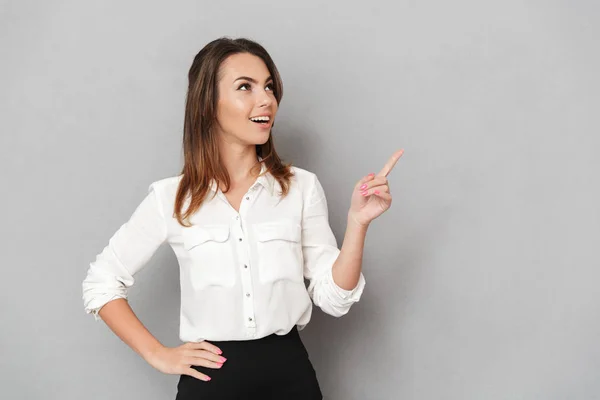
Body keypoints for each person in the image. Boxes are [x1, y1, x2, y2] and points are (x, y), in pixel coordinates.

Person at [82, 36, 403, 399]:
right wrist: (157, 354)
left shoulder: (301, 187)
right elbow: (101, 282)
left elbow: (334, 299)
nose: (265, 98)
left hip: (290, 378)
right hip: (212, 381)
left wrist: (358, 224)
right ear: (207, 103)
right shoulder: (171, 198)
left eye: (268, 87)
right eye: (245, 87)